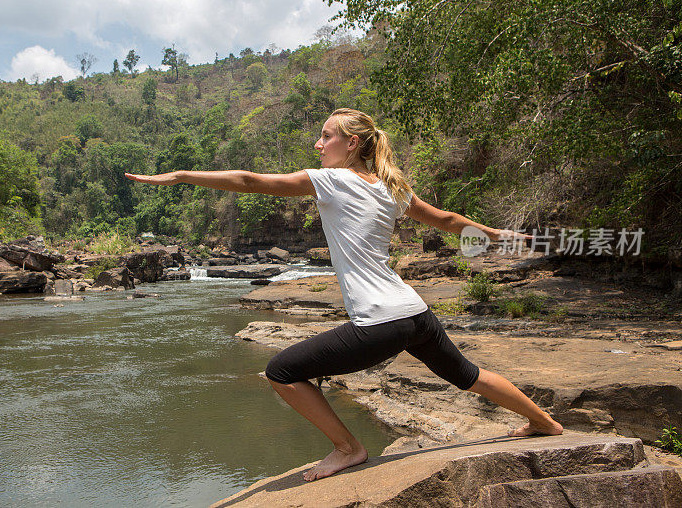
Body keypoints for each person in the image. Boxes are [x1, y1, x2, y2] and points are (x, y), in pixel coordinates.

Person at [125, 108, 563, 482]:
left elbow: (249, 180)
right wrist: (498, 234)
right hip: (415, 312)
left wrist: (182, 176)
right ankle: (543, 422)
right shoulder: (391, 187)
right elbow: (447, 220)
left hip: (379, 320)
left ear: (352, 143)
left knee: (281, 371)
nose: (319, 145)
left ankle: (348, 447)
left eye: (326, 136)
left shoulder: (330, 181)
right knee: (466, 373)